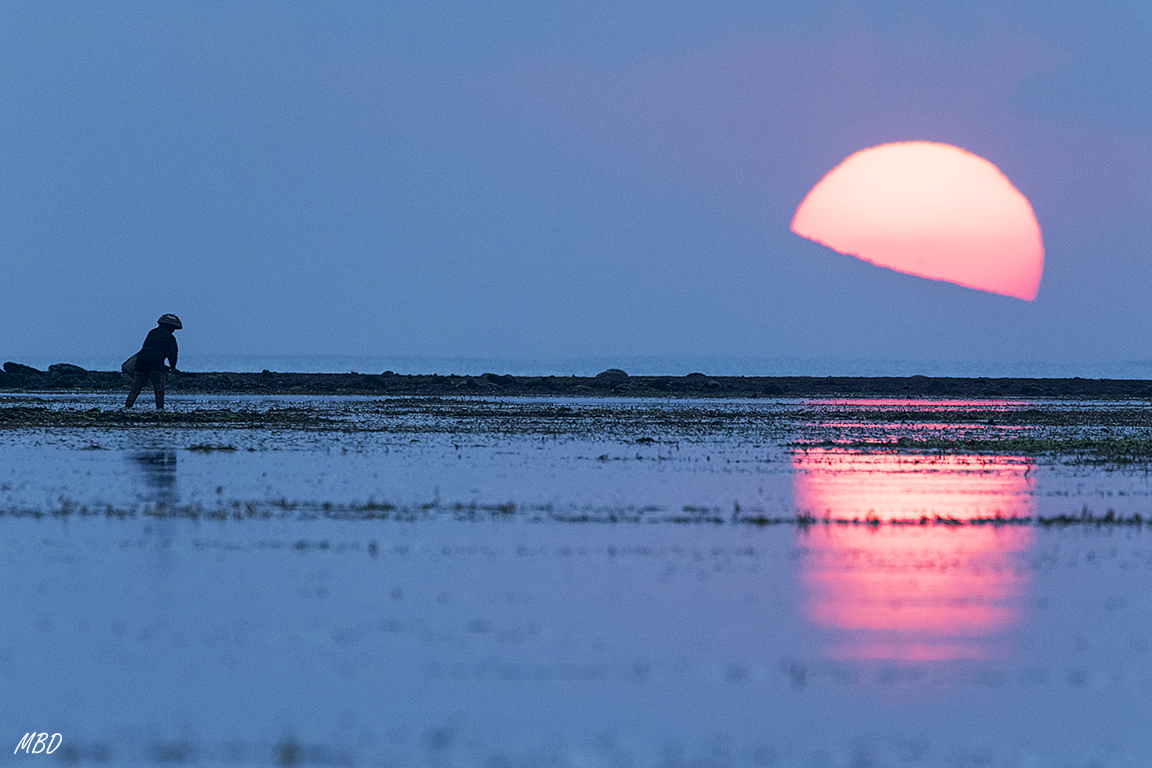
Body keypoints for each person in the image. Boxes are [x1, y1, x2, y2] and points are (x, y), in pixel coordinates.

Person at [125, 314, 182, 410]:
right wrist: (173, 366)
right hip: (156, 361)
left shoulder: (152, 332)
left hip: (141, 361)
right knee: (159, 388)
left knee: (136, 387)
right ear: (170, 327)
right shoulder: (169, 337)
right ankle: (160, 408)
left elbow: (145, 347)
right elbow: (173, 354)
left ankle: (127, 406)